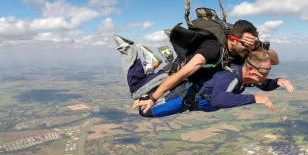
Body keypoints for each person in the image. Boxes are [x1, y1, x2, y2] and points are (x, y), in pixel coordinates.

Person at [130, 19, 279, 114]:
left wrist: (259, 47)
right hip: (178, 73)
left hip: (191, 82)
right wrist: (153, 98)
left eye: (252, 47)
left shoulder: (242, 51)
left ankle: (158, 63)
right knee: (137, 94)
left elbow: (274, 61)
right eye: (246, 45)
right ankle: (134, 54)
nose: (249, 50)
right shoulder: (212, 49)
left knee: (145, 108)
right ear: (232, 40)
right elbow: (183, 73)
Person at [118, 46, 293, 117]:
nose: (267, 75)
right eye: (265, 71)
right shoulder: (231, 78)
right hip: (181, 99)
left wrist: (278, 81)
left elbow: (263, 83)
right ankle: (132, 53)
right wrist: (255, 99)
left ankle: (167, 63)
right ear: (253, 70)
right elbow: (218, 99)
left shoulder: (248, 76)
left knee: (146, 99)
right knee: (144, 110)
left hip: (190, 96)